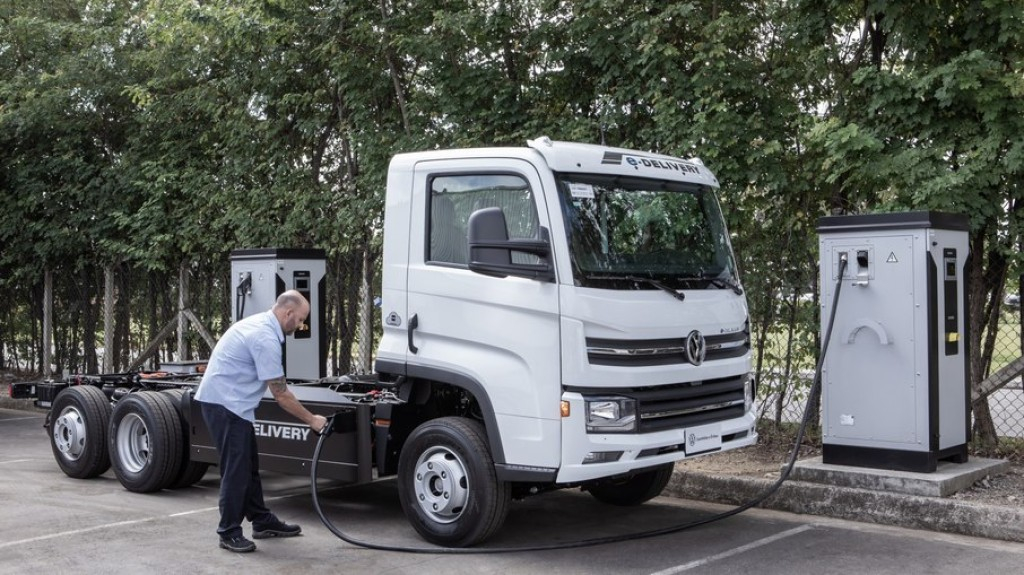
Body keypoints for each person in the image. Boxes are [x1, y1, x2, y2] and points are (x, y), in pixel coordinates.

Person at [194, 290, 329, 553]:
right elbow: (280, 394)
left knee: (248, 466)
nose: (301, 325)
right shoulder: (265, 337)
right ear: (287, 313)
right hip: (225, 404)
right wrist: (313, 420)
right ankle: (229, 531)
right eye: (300, 319)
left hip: (231, 404)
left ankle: (261, 520)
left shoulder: (262, 325)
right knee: (236, 471)